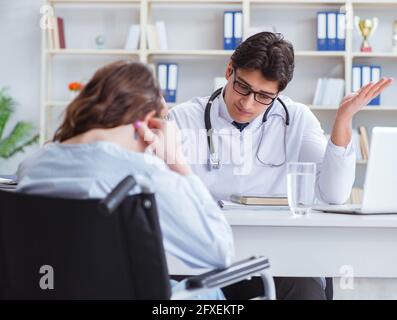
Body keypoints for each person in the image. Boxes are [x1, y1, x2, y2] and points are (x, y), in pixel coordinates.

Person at [169, 32, 394, 299]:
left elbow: (334, 195)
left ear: (279, 92)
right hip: (205, 259)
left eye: (264, 96)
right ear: (230, 69)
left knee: (305, 290)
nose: (248, 103)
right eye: (243, 86)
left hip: (278, 258)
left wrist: (342, 122)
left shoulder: (297, 118)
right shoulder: (182, 119)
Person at [16, 60, 232, 299]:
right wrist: (177, 162)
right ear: (148, 122)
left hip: (50, 290)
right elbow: (219, 252)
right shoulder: (144, 176)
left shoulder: (32, 165)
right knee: (211, 293)